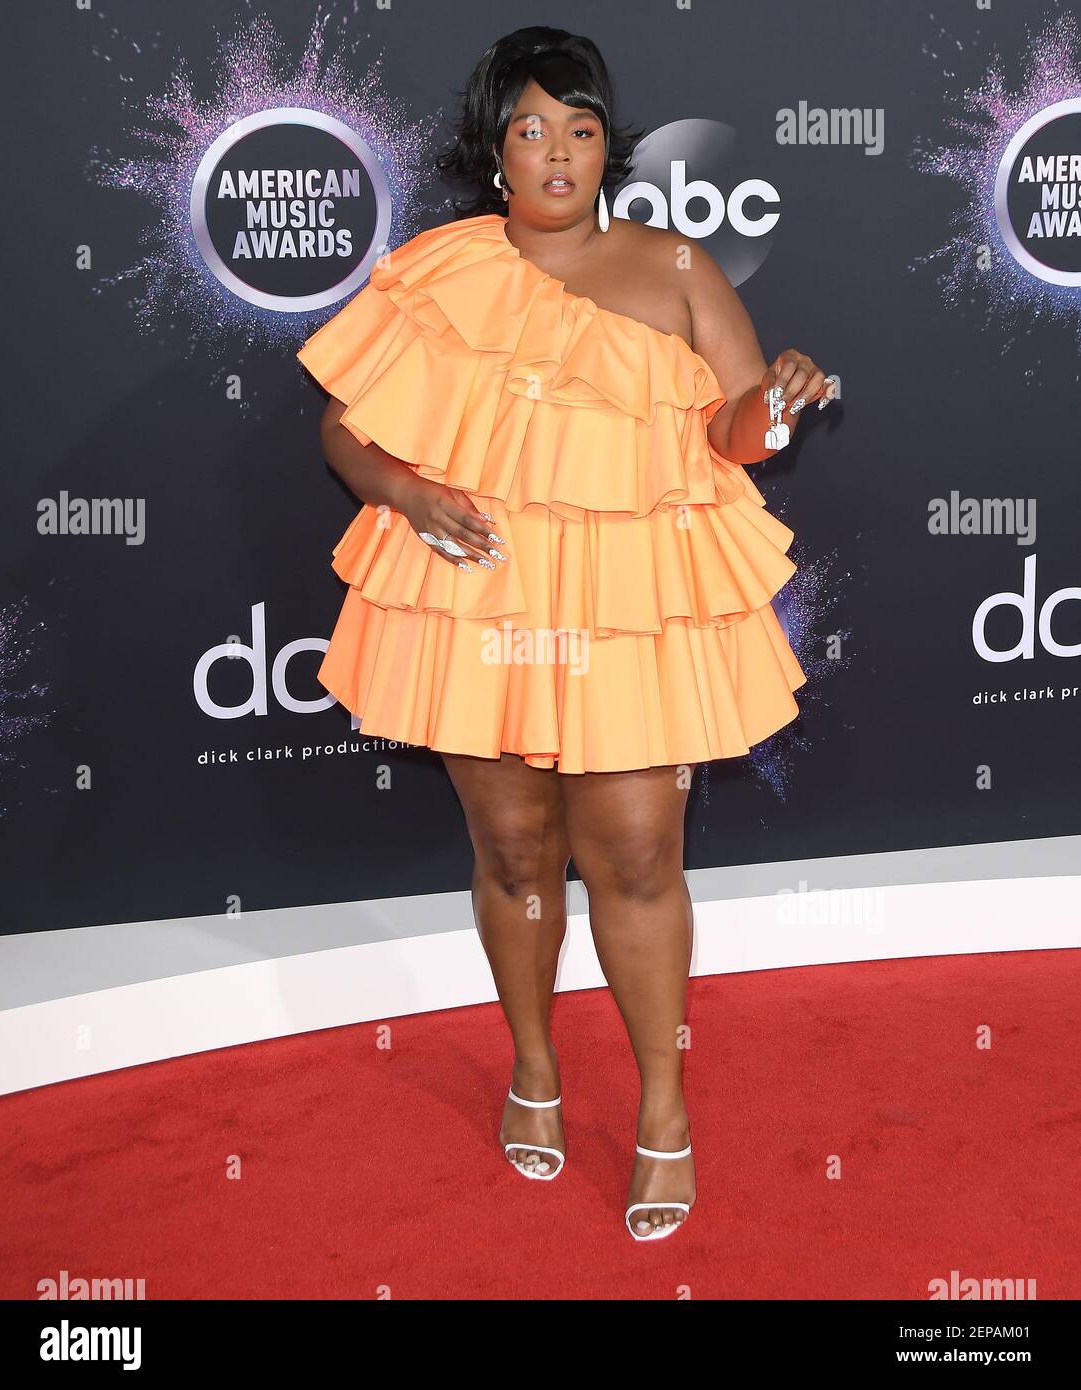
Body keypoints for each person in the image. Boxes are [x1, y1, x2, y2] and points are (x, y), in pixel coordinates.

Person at [297, 26, 834, 1242]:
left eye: (579, 130)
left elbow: (734, 434)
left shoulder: (677, 266)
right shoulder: (436, 271)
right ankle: (533, 1068)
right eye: (530, 129)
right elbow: (341, 429)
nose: (556, 153)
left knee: (639, 854)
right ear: (495, 151)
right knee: (511, 850)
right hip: (477, 594)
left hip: (623, 605)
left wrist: (779, 396)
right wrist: (404, 493)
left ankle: (661, 1112)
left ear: (609, 147)